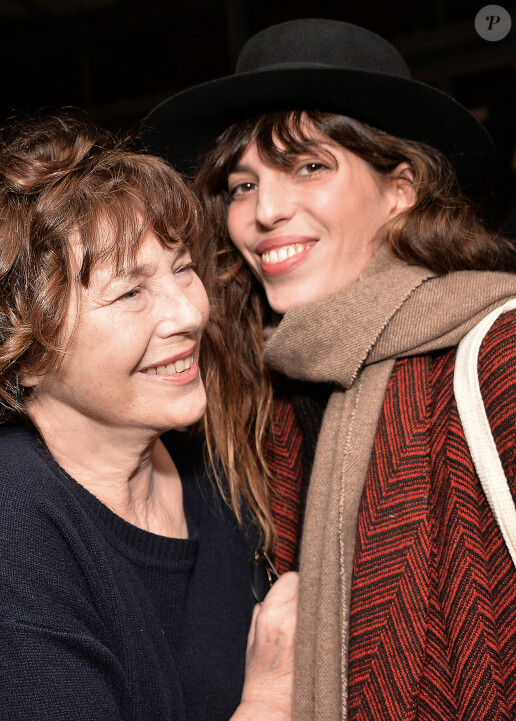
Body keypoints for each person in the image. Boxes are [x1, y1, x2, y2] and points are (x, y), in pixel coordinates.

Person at [142, 18, 516, 721]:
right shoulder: (269, 393)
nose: (264, 211)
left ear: (401, 186)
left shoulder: (498, 353)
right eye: (242, 183)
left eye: (309, 166)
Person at [0, 112, 298, 721]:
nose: (187, 313)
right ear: (21, 353)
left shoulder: (205, 465)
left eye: (182, 269)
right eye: (130, 293)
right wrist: (269, 699)